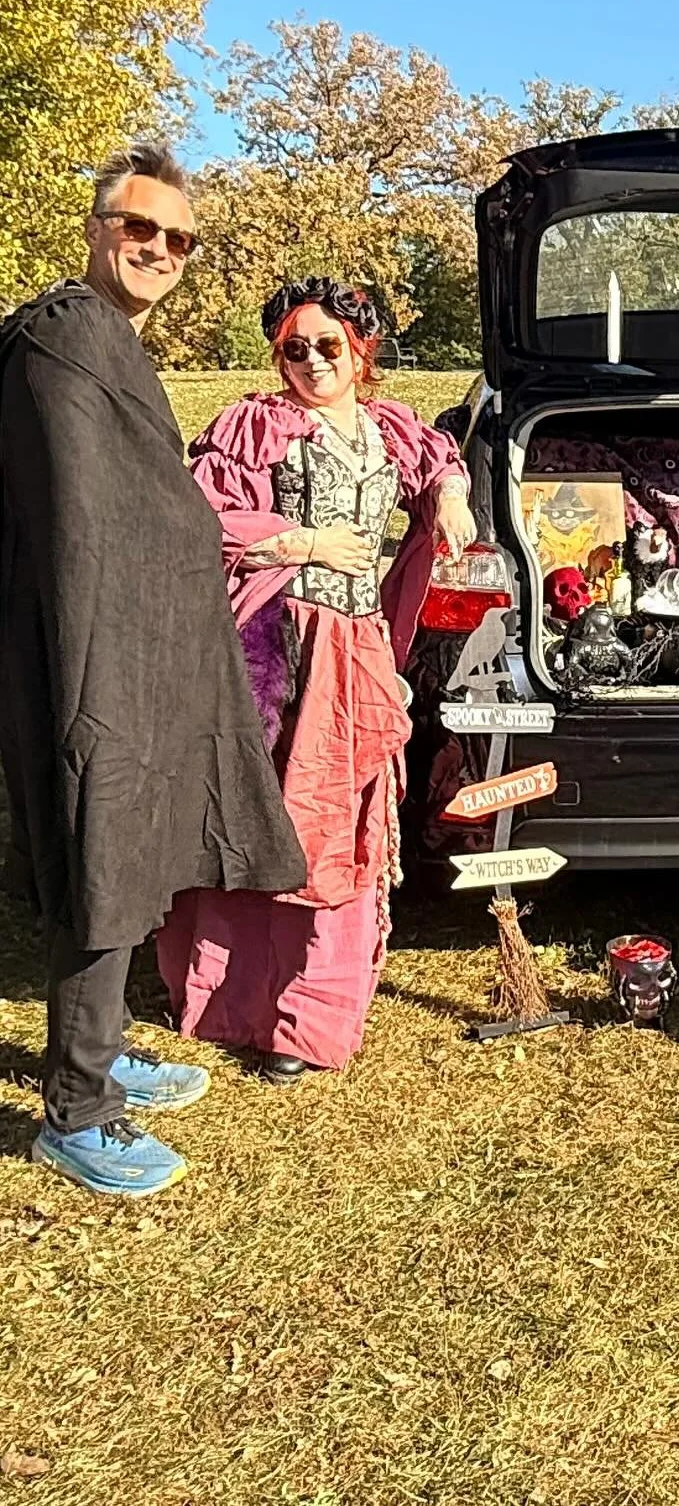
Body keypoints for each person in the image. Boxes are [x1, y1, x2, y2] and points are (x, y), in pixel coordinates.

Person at [0, 145, 306, 1197]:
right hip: (97, 654)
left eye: (180, 238)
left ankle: (99, 1049)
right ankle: (77, 1109)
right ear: (96, 227)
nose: (160, 251)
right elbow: (80, 524)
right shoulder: (64, 341)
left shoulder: (103, 343)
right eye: (140, 228)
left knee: (127, 845)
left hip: (137, 647)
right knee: (103, 841)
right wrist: (105, 674)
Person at [154, 277, 475, 1081]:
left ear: (360, 350)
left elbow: (438, 459)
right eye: (293, 348)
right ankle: (235, 1000)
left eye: (327, 345)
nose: (310, 361)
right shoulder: (257, 425)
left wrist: (451, 491)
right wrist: (303, 542)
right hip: (277, 647)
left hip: (358, 649)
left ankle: (308, 1014)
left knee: (343, 826)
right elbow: (205, 514)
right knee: (270, 817)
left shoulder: (389, 428)